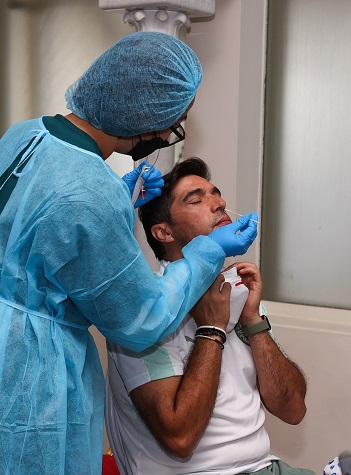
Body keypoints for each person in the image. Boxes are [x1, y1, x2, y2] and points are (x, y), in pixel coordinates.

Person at [0, 33, 258, 474]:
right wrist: (207, 251)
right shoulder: (89, 192)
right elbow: (142, 321)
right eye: (172, 122)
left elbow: (33, 227)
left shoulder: (24, 135)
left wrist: (117, 200)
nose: (167, 134)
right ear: (143, 118)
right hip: (26, 370)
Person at [105, 157, 316, 475]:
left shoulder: (238, 291)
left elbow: (294, 409)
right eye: (196, 199)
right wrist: (212, 329)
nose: (220, 204)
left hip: (263, 466)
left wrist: (253, 322)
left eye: (216, 193)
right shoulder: (142, 314)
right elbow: (180, 437)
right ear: (163, 232)